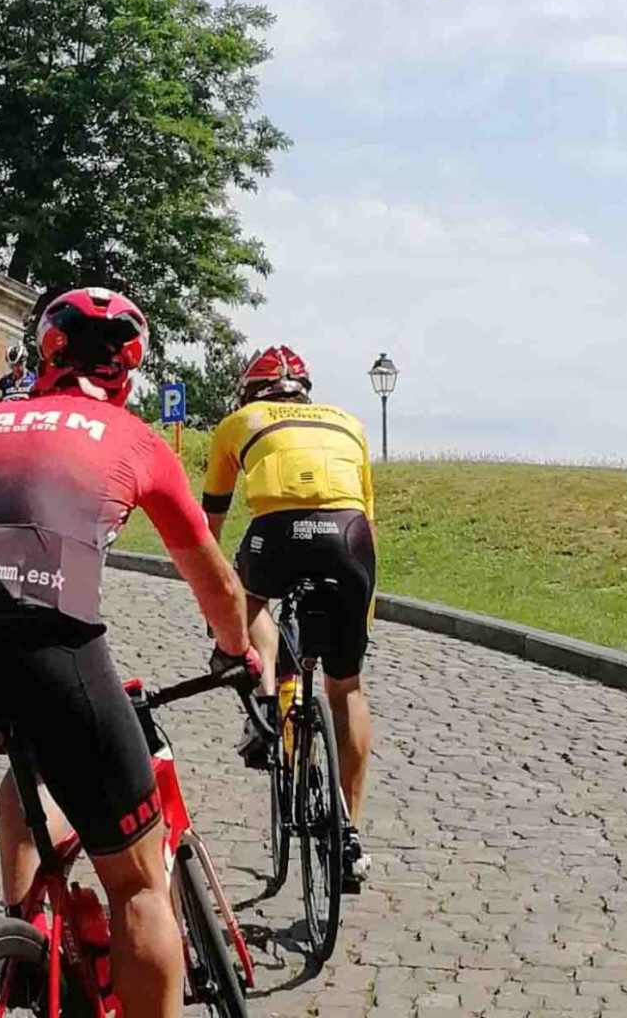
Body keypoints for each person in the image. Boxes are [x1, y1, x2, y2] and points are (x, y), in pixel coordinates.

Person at [0, 287, 256, 1018]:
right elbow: (216, 582)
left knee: (30, 754)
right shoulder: (134, 439)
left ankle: (27, 933)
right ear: (127, 370)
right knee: (137, 884)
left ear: (46, 354)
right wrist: (238, 655)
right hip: (51, 652)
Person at [199, 345, 378, 891]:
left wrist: (217, 607)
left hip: (276, 537)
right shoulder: (348, 422)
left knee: (248, 598)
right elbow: (367, 513)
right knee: (346, 688)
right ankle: (349, 833)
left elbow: (210, 523)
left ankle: (265, 701)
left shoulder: (240, 422)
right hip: (350, 540)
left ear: (249, 392)